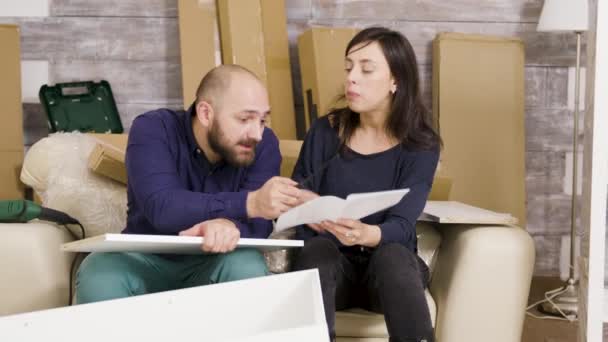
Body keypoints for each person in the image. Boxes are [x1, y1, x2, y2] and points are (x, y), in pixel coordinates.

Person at [76, 65, 301, 303]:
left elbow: (259, 225)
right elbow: (162, 206)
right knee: (100, 272)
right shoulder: (154, 129)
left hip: (218, 259)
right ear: (206, 113)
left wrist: (227, 224)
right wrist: (248, 203)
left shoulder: (263, 145)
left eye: (263, 119)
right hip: (144, 258)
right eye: (245, 118)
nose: (256, 132)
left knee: (246, 266)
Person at [291, 27, 441, 342]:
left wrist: (367, 233)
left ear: (395, 80)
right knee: (318, 250)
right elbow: (294, 195)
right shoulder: (326, 131)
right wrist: (306, 206)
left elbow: (402, 225)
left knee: (394, 255)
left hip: (384, 274)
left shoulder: (420, 145)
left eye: (366, 69)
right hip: (333, 269)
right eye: (348, 68)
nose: (351, 78)